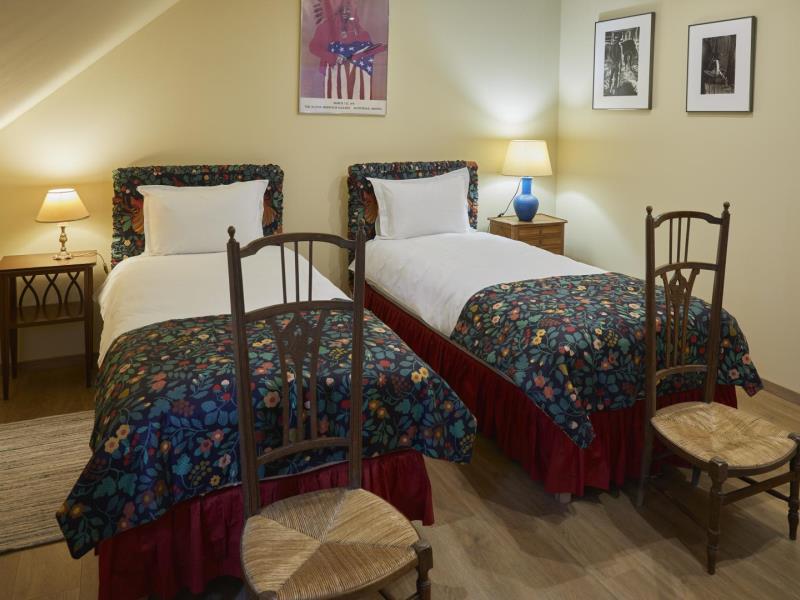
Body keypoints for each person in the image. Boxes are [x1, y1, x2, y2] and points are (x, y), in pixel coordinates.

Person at [308, 0, 387, 101]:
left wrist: (380, 48)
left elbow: (367, 50)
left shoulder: (360, 31)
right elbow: (313, 47)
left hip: (355, 80)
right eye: (344, 8)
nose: (346, 11)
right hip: (330, 76)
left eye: (350, 7)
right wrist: (333, 57)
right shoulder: (326, 27)